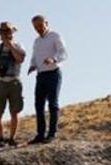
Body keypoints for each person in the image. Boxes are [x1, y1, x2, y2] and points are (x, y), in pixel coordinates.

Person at [28, 15, 68, 143]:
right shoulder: (36, 41)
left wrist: (53, 59)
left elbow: (63, 52)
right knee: (38, 105)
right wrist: (32, 65)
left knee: (53, 103)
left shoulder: (55, 36)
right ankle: (40, 134)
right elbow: (34, 56)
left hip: (53, 73)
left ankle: (52, 133)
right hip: (41, 75)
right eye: (35, 27)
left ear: (46, 23)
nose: (38, 29)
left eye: (40, 25)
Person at [0, 22, 27, 147]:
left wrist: (10, 46)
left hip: (14, 81)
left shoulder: (19, 46)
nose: (6, 35)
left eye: (8, 32)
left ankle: (12, 138)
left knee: (15, 111)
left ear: (12, 33)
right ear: (0, 34)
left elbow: (20, 59)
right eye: (3, 32)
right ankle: (0, 138)